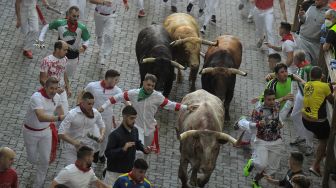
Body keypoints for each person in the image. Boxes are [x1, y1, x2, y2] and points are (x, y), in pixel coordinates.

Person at [99, 74, 191, 156]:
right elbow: (117, 97)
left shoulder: (158, 97)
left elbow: (171, 105)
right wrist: (104, 106)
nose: (150, 87)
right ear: (143, 83)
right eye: (148, 84)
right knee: (139, 153)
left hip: (150, 129)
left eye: (152, 85)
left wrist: (186, 107)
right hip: (136, 128)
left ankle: (140, 170)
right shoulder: (134, 93)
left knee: (146, 152)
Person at [23, 77, 65, 188]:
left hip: (46, 132)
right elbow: (41, 117)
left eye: (56, 88)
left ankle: (38, 184)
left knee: (45, 160)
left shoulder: (57, 97)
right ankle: (33, 158)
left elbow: (60, 110)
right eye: (51, 88)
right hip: (30, 132)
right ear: (45, 87)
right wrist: (59, 118)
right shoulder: (36, 98)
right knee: (32, 159)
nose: (54, 91)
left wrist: (64, 122)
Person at [243, 89, 284, 188]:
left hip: (276, 140)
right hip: (262, 140)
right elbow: (251, 125)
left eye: (273, 99)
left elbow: (280, 102)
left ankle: (255, 181)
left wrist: (280, 124)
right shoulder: (258, 110)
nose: (272, 102)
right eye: (269, 100)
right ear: (264, 99)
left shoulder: (276, 105)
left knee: (272, 168)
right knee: (261, 165)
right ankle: (252, 162)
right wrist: (258, 124)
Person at [38, 6, 91, 78]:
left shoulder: (82, 27)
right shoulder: (60, 23)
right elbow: (47, 26)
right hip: (58, 56)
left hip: (73, 58)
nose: (76, 18)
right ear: (68, 15)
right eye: (74, 16)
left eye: (77, 16)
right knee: (54, 77)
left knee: (67, 77)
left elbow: (87, 40)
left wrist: (84, 46)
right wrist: (41, 38)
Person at [104, 106, 151, 185]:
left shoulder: (135, 130)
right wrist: (123, 149)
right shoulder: (115, 135)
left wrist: (144, 149)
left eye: (135, 118)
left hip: (127, 173)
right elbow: (108, 153)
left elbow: (137, 143)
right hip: (114, 173)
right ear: (124, 117)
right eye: (131, 118)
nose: (134, 121)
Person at [84, 69, 124, 163]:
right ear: (109, 79)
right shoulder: (93, 86)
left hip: (107, 118)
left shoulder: (117, 90)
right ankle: (96, 151)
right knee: (93, 136)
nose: (117, 82)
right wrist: (80, 106)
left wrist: (130, 107)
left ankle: (101, 154)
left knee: (105, 137)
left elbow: (124, 99)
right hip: (93, 116)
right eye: (116, 80)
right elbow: (83, 93)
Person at [302, 66, 334, 177]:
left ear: (311, 76)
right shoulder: (324, 87)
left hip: (305, 120)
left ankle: (321, 152)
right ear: (322, 76)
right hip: (317, 122)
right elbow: (332, 100)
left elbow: (320, 89)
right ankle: (315, 165)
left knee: (321, 136)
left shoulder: (307, 84)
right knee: (324, 140)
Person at [59, 92, 106, 165]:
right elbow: (61, 133)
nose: (91, 106)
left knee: (85, 170)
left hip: (87, 148)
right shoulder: (72, 114)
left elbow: (102, 125)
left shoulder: (95, 113)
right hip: (71, 148)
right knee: (72, 169)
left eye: (92, 104)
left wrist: (102, 135)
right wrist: (74, 142)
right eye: (89, 104)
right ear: (82, 102)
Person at [289, 50, 314, 156]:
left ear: (297, 60)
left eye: (294, 59)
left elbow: (307, 84)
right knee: (294, 115)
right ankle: (302, 136)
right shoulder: (302, 66)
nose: (293, 61)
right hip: (300, 94)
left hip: (307, 98)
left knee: (308, 121)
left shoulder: (307, 69)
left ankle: (310, 145)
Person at [89, 0, 129, 66]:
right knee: (99, 33)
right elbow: (91, 0)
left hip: (111, 16)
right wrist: (103, 2)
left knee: (109, 35)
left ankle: (104, 55)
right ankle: (99, 38)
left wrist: (125, 2)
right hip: (99, 15)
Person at [40, 40, 71, 114]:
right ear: (57, 49)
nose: (66, 52)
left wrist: (68, 87)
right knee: (49, 114)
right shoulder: (47, 61)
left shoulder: (65, 59)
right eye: (64, 50)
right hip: (50, 92)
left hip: (62, 91)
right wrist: (54, 90)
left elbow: (64, 73)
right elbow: (42, 79)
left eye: (67, 50)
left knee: (65, 114)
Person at [296, 0, 329, 65]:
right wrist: (301, 16)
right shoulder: (312, 7)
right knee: (305, 65)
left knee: (313, 67)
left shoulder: (329, 13)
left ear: (324, 1)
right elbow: (304, 19)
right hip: (303, 40)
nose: (315, 1)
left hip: (316, 45)